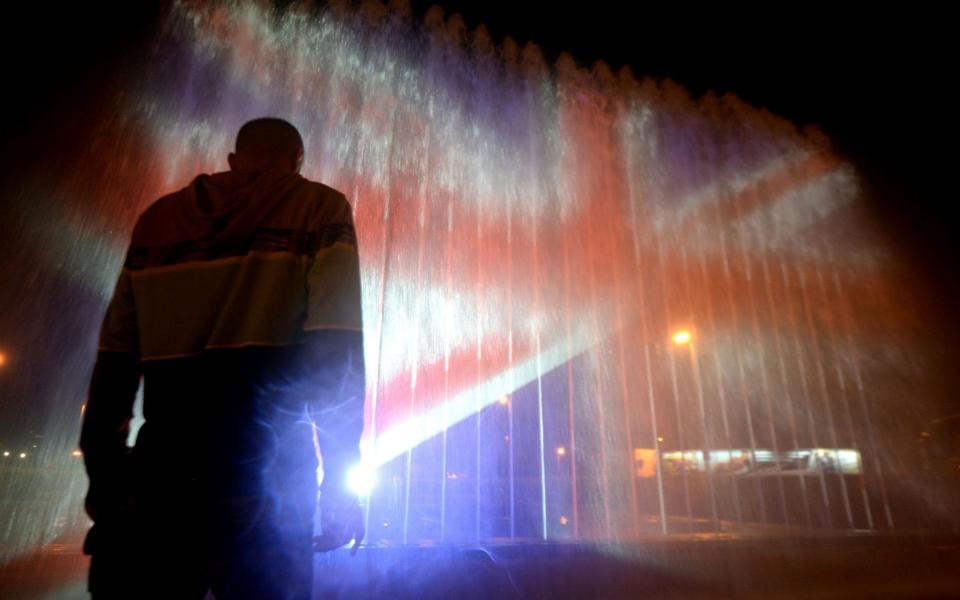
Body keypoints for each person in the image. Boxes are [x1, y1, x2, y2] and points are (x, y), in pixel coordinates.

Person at [79, 117, 366, 599]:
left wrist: (108, 479)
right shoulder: (318, 209)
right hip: (272, 476)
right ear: (297, 163)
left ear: (234, 160)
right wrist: (338, 482)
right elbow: (334, 360)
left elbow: (114, 366)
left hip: (163, 471)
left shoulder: (157, 221)